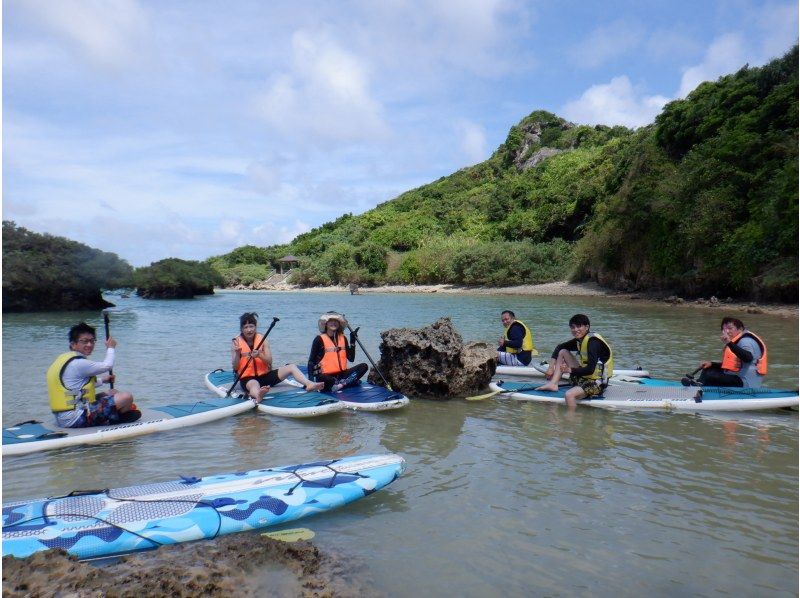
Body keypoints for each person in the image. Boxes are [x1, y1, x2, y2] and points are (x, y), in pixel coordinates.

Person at [47, 322, 140, 428]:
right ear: (73, 344)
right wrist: (111, 348)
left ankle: (117, 415)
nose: (89, 345)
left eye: (92, 341)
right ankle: (116, 418)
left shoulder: (64, 360)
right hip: (76, 419)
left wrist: (103, 380)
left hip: (64, 417)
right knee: (126, 397)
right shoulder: (79, 363)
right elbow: (107, 366)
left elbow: (76, 387)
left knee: (112, 392)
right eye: (84, 341)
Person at [232, 312, 323, 402]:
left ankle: (309, 384)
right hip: (248, 379)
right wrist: (237, 353)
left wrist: (259, 355)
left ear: (255, 327)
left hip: (265, 376)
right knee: (254, 384)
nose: (249, 330)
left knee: (291, 367)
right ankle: (258, 395)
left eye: (251, 326)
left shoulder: (262, 339)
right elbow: (235, 367)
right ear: (242, 329)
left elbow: (269, 361)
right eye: (246, 327)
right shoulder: (236, 342)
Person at [535, 314, 614, 408]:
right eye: (573, 327)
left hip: (597, 384)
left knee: (569, 395)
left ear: (587, 327)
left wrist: (570, 370)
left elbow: (590, 370)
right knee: (563, 351)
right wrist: (551, 368)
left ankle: (572, 419)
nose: (575, 330)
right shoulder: (579, 340)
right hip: (584, 378)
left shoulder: (593, 343)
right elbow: (559, 347)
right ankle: (553, 384)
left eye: (579, 326)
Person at [685, 317, 767, 388]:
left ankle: (698, 392)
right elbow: (731, 367)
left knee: (710, 376)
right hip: (738, 377)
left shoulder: (746, 341)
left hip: (747, 383)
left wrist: (729, 343)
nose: (726, 332)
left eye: (730, 328)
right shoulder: (736, 342)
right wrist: (712, 364)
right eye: (724, 329)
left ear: (740, 329)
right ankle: (699, 387)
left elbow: (748, 358)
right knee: (708, 369)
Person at [308, 312, 368, 392]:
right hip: (326, 376)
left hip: (342, 375)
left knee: (364, 366)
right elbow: (311, 362)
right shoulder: (319, 339)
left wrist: (352, 342)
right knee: (322, 377)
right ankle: (347, 382)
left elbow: (351, 359)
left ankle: (340, 385)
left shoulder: (343, 338)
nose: (334, 322)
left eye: (336, 321)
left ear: (339, 324)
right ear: (326, 324)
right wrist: (311, 382)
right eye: (331, 321)